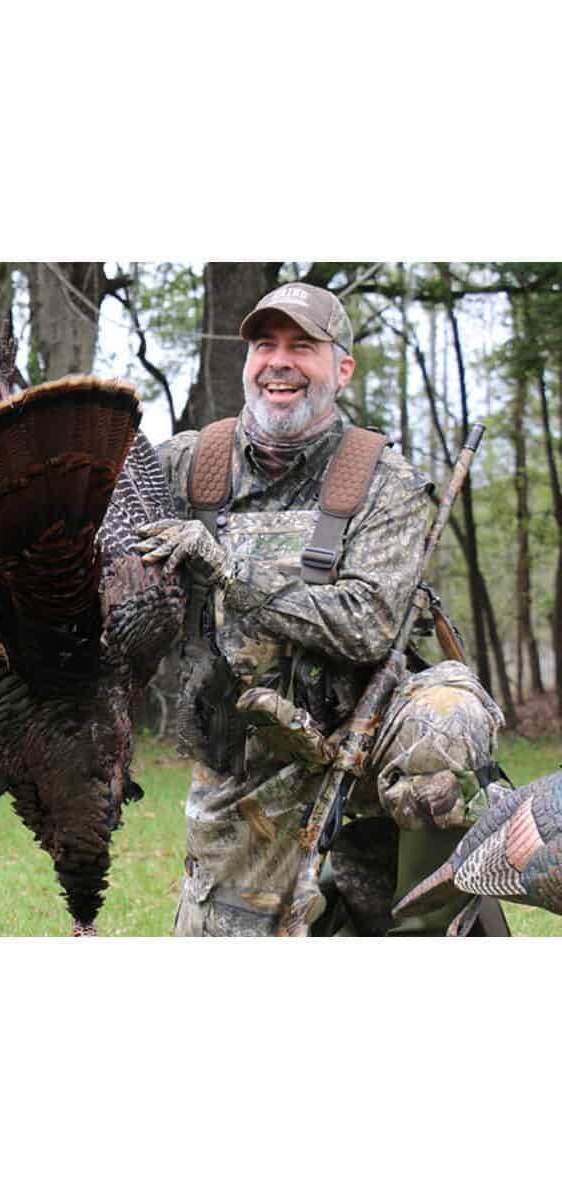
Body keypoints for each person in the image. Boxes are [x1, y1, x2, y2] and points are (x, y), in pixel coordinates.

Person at [136, 283, 507, 936]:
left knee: (448, 714)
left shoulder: (381, 480)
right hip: (242, 762)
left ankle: (427, 930)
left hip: (361, 735)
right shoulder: (191, 464)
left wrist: (232, 573)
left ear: (341, 368)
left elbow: (367, 622)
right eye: (265, 344)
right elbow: (96, 530)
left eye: (301, 347)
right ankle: (339, 896)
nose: (279, 361)